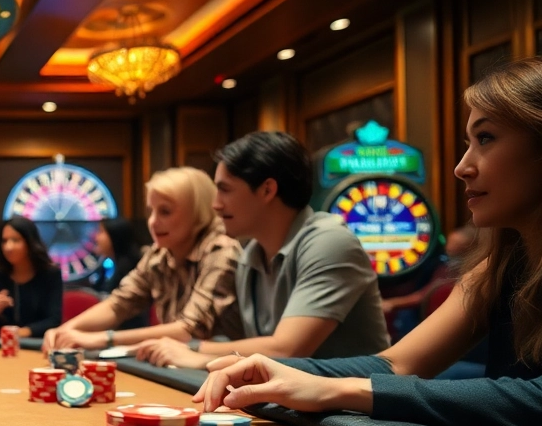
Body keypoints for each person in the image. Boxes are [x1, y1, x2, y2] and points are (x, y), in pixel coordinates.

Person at [196, 57, 542, 426]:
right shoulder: (497, 265)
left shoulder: (327, 237)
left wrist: (339, 391)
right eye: (468, 143)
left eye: (486, 138)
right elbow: (396, 364)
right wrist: (269, 370)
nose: (462, 167)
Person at [135, 132, 390, 369]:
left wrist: (193, 350)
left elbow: (287, 350)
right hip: (294, 405)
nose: (215, 205)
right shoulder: (250, 256)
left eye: (225, 190)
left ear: (267, 190)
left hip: (357, 414)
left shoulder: (331, 242)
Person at [42, 167, 244, 354]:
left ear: (197, 213)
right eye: (151, 211)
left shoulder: (221, 251)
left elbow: (189, 330)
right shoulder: (160, 254)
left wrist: (102, 339)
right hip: (181, 366)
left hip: (231, 375)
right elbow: (119, 304)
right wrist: (65, 331)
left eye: (165, 211)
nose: (153, 222)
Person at [0, 217, 63, 338]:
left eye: (15, 240)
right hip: (0, 346)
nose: (8, 247)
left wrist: (25, 332)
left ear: (30, 242)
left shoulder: (50, 274)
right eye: (4, 241)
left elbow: (54, 320)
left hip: (37, 344)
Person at [88, 217, 140, 294]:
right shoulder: (106, 265)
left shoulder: (131, 271)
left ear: (115, 236)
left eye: (101, 231)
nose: (96, 238)